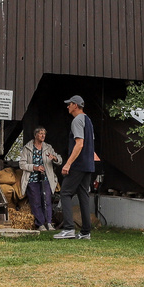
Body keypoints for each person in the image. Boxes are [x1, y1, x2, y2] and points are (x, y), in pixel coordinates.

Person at [54, 96, 96, 240]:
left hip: (78, 164)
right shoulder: (88, 120)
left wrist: (68, 163)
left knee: (65, 193)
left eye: (69, 104)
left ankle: (69, 229)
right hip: (88, 165)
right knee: (83, 196)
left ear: (75, 105)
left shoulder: (77, 120)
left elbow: (79, 144)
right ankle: (85, 232)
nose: (67, 107)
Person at [20, 125, 62, 231]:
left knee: (47, 200)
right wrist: (34, 167)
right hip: (32, 179)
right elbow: (22, 164)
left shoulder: (48, 147)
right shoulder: (27, 148)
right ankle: (40, 224)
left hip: (46, 178)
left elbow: (60, 160)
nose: (43, 136)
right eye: (40, 133)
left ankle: (49, 222)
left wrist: (55, 158)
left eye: (44, 134)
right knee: (36, 201)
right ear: (35, 135)